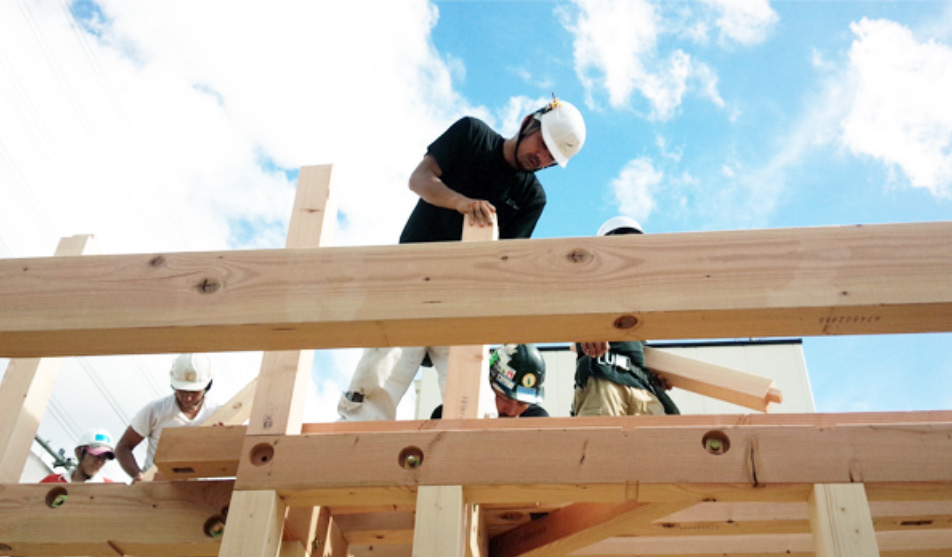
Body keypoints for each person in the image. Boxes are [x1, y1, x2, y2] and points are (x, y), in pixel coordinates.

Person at [338, 96, 586, 421]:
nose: (540, 158)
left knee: (473, 408)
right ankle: (347, 461)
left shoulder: (531, 197)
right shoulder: (472, 135)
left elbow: (505, 264)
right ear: (528, 122)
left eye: (551, 157)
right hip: (410, 283)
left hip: (463, 300)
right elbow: (419, 179)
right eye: (541, 144)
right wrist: (461, 203)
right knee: (374, 387)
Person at [572, 217, 680, 417]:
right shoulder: (589, 287)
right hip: (604, 379)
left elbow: (633, 353)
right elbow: (563, 311)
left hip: (642, 389)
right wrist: (587, 327)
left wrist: (648, 374)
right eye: (628, 244)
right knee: (603, 444)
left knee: (662, 445)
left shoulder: (636, 306)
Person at [115, 353, 221, 481]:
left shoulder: (218, 414)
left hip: (199, 493)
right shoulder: (156, 411)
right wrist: (137, 475)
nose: (187, 398)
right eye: (182, 390)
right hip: (156, 489)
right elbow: (123, 447)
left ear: (206, 386)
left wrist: (223, 438)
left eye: (194, 392)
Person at [431, 344, 549, 419]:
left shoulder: (537, 420)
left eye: (522, 403)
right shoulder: (446, 415)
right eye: (505, 398)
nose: (511, 411)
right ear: (487, 385)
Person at [40, 428, 116, 483]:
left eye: (105, 458)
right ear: (78, 452)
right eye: (95, 455)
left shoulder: (111, 490)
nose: (99, 462)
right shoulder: (50, 482)